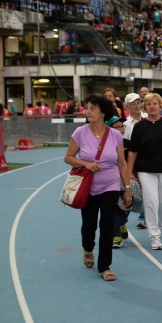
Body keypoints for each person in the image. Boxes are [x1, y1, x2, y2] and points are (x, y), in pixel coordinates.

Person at [64, 95, 131, 281]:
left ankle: (105, 267)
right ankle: (88, 249)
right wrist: (86, 164)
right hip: (88, 186)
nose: (88, 111)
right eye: (87, 108)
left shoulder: (115, 135)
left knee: (107, 225)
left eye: (92, 108)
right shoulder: (80, 132)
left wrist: (127, 188)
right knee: (89, 225)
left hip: (110, 185)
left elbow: (122, 163)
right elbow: (68, 157)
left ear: (103, 112)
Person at [126, 92, 162, 251]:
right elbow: (133, 151)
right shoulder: (139, 126)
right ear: (145, 107)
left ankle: (158, 226)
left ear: (160, 106)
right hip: (146, 169)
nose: (152, 106)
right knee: (151, 202)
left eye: (155, 104)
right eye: (149, 104)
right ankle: (154, 236)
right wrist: (129, 172)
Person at [112, 93, 145, 248]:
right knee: (114, 204)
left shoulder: (127, 142)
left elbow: (131, 158)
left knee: (130, 199)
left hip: (130, 174)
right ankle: (116, 234)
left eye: (121, 126)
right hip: (112, 178)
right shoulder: (106, 143)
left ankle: (122, 223)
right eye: (116, 127)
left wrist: (131, 173)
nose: (120, 129)